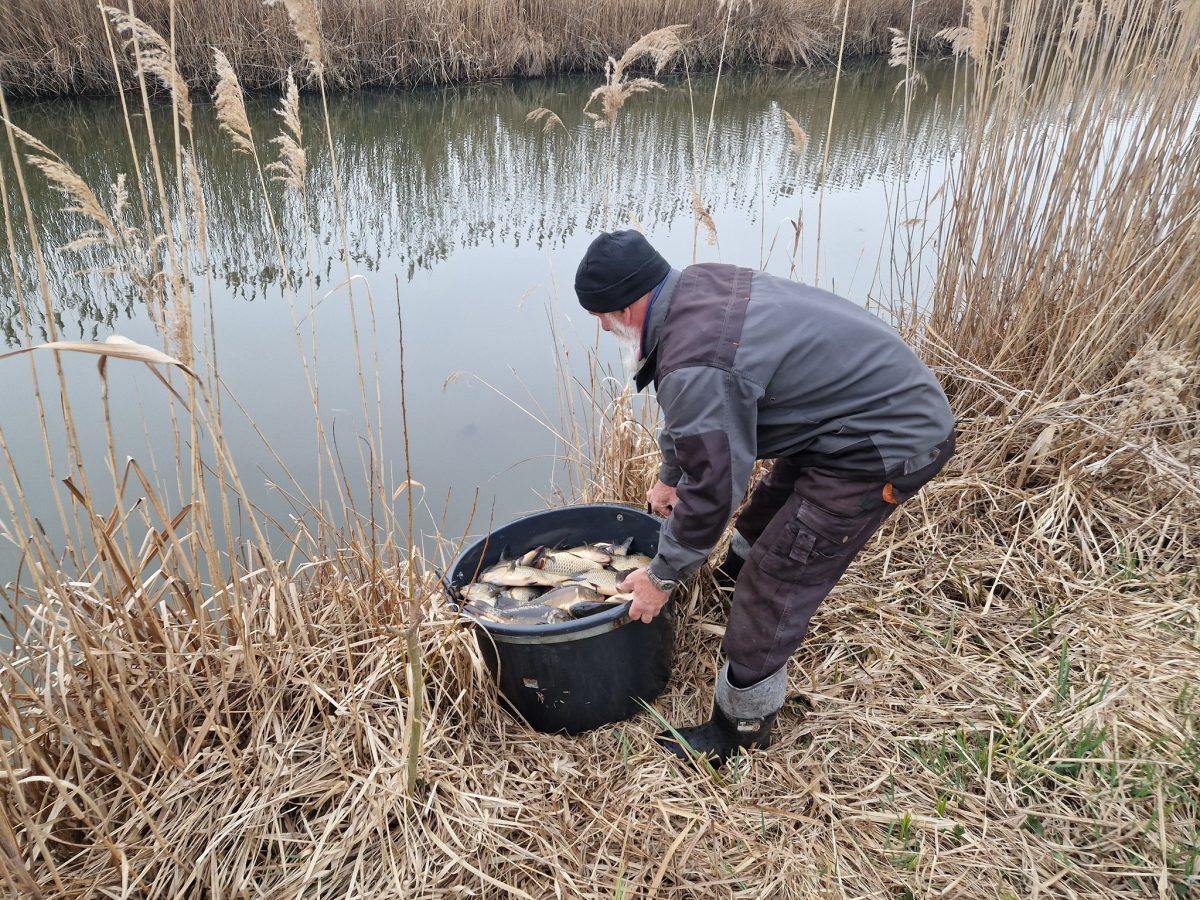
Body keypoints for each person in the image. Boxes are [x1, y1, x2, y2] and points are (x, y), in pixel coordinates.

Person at [574, 230, 956, 764]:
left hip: (889, 443)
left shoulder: (693, 359)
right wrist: (670, 474)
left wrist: (662, 578)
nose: (601, 326)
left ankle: (739, 729)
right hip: (842, 419)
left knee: (777, 578)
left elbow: (712, 488)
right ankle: (729, 588)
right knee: (768, 510)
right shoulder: (695, 288)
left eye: (602, 315)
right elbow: (698, 414)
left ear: (628, 303)